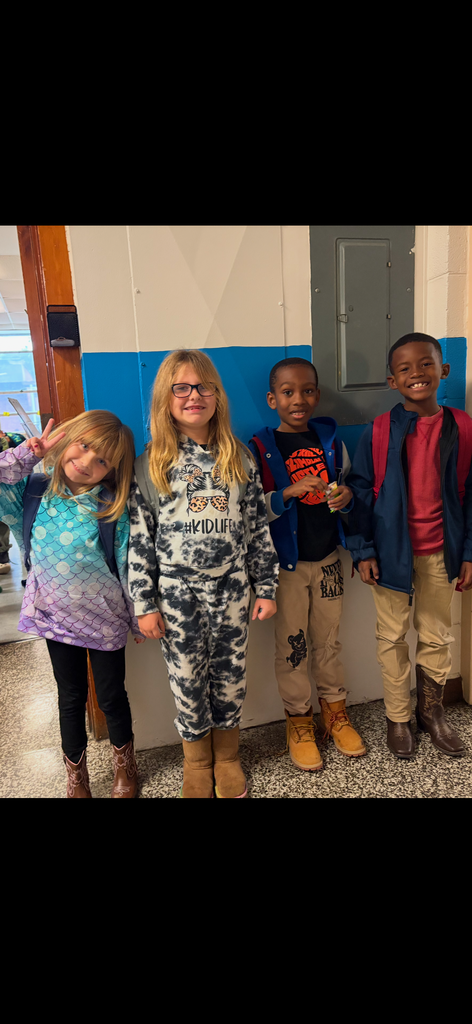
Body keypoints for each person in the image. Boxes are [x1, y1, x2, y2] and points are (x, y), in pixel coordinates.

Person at [128, 349, 279, 799]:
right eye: (182, 387)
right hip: (177, 593)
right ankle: (196, 762)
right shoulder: (151, 462)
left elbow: (256, 529)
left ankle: (228, 757)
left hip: (233, 587)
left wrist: (265, 586)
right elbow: (140, 538)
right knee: (187, 677)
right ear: (166, 397)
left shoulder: (240, 457)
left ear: (217, 395)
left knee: (230, 676)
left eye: (203, 387)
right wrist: (144, 603)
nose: (194, 395)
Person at [0, 411, 144, 798]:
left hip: (105, 618)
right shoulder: (32, 493)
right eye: (83, 447)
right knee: (71, 697)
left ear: (112, 470)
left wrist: (137, 617)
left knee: (113, 696)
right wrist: (26, 455)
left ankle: (124, 765)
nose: (85, 463)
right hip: (54, 617)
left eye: (102, 461)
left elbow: (128, 566)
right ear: (68, 441)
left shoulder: (112, 506)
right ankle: (76, 776)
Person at [346, 332, 472, 758]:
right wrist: (363, 550)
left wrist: (469, 550)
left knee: (437, 633)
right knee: (391, 636)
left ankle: (431, 712)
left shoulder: (463, 427)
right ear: (391, 381)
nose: (416, 374)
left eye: (425, 364)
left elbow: (470, 494)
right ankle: (398, 716)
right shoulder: (379, 431)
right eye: (405, 369)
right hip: (390, 553)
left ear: (444, 370)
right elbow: (360, 493)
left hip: (442, 551)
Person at [248, 357, 366, 771]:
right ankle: (299, 722)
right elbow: (249, 511)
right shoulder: (259, 448)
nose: (299, 399)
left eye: (308, 390)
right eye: (288, 392)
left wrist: (346, 497)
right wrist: (289, 492)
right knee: (292, 648)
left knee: (328, 642)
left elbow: (350, 485)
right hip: (287, 568)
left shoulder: (331, 440)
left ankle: (335, 714)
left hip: (329, 559)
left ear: (317, 394)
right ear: (272, 398)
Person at [0, 428, 26, 575]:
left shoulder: (17, 439)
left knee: (7, 525)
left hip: (12, 490)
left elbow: (22, 464)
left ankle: (2, 557)